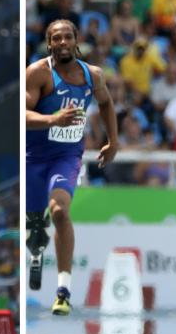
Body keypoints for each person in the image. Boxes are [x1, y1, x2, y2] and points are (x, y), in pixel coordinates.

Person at [26, 20, 119, 316]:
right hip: (33, 156)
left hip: (66, 157)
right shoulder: (39, 73)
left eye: (68, 37)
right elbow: (22, 114)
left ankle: (63, 291)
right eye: (57, 38)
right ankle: (37, 247)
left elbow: (105, 104)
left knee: (59, 211)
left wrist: (113, 141)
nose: (63, 42)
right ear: (49, 43)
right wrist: (52, 119)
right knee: (35, 224)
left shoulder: (93, 76)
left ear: (76, 41)